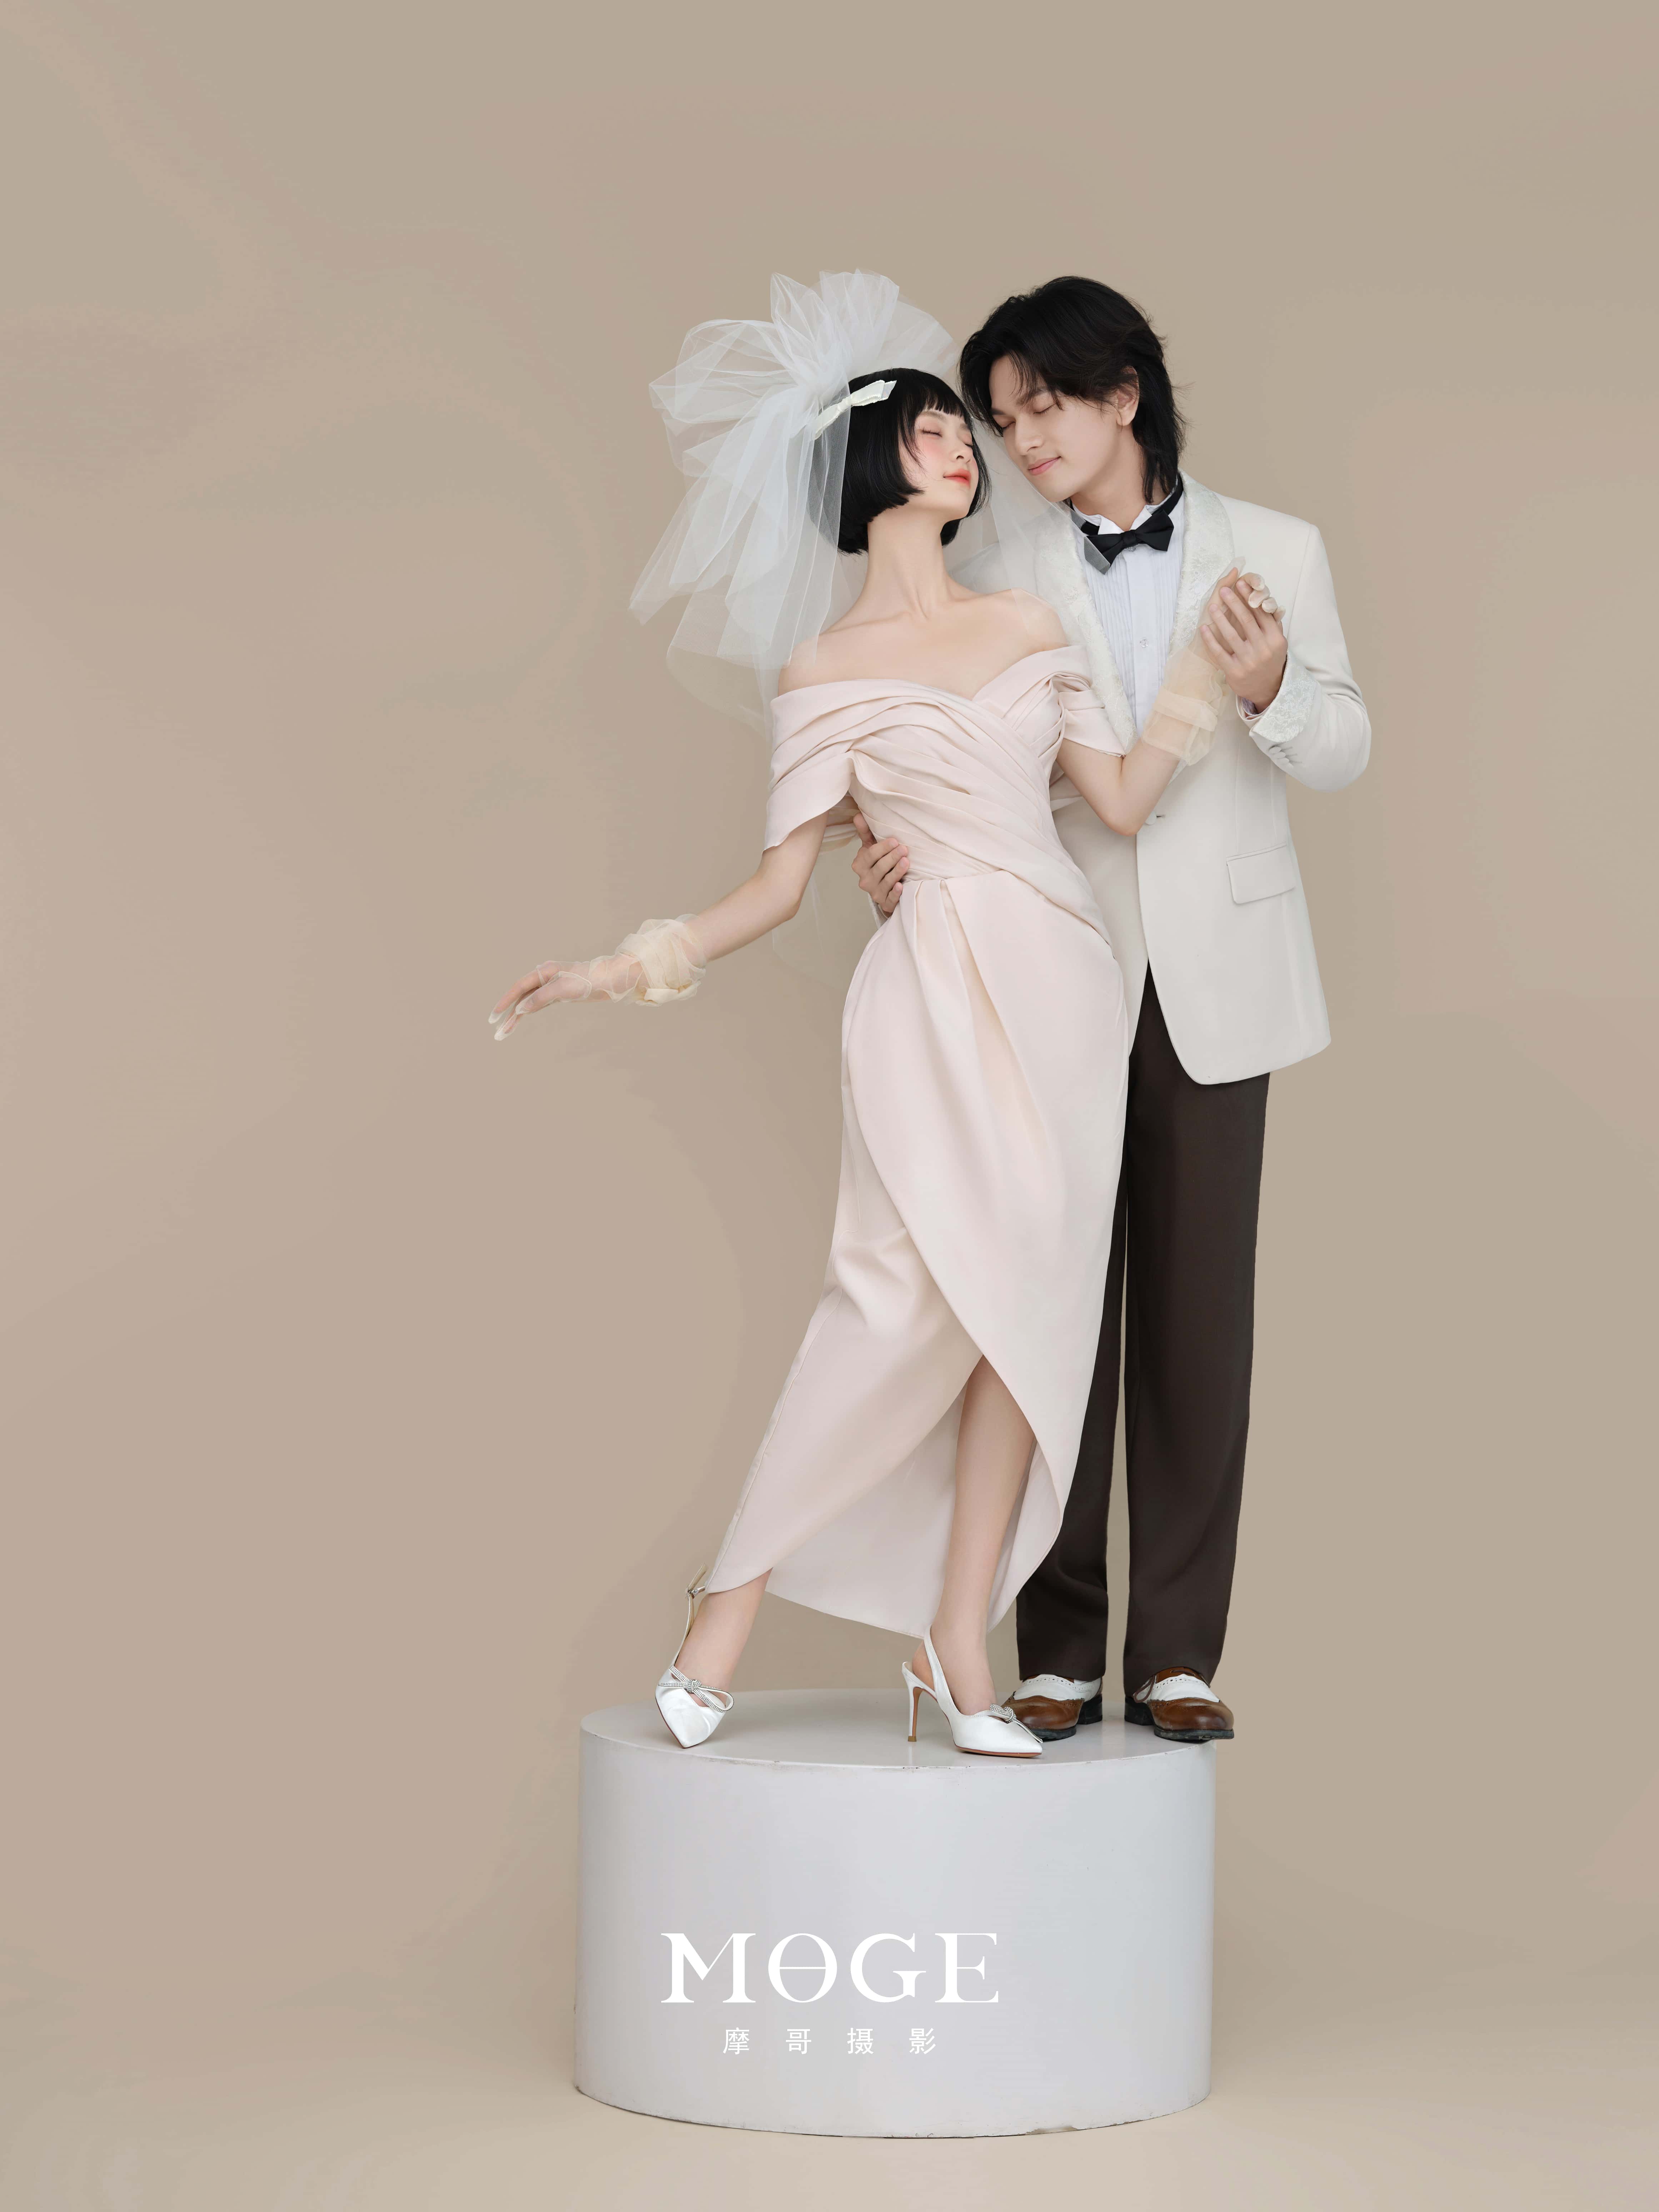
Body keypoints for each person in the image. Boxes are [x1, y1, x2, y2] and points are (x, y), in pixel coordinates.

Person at [489, 274, 1237, 1758]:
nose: (967, 448)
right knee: (886, 1301)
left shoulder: (1028, 621)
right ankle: (723, 1611)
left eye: (969, 433)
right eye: (935, 429)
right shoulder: (820, 672)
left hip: (1064, 986)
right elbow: (776, 887)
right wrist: (615, 967)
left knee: (1027, 1320)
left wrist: (1207, 681)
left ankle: (958, 1642)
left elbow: (1117, 800)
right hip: (927, 990)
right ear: (864, 463)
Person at [853, 277, 1370, 1745]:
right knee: (1050, 1315)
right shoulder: (993, 565)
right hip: (1046, 968)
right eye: (1001, 419)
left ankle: (1180, 1654)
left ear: (1124, 394)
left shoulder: (1278, 549)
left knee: (1202, 1325)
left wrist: (1272, 691)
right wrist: (901, 861)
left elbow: (1344, 745)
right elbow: (943, 746)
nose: (1020, 442)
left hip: (1227, 977)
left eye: (1044, 409)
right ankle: (1058, 1651)